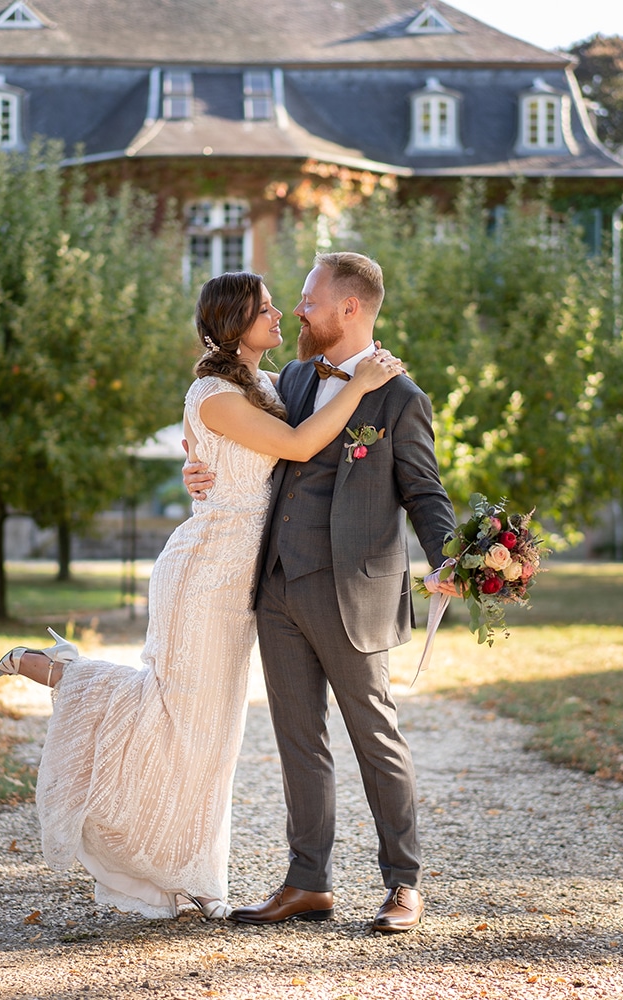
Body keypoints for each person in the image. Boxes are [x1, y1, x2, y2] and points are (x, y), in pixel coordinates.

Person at [0, 271, 406, 920]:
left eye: (278, 305)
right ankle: (66, 673)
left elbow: (286, 448)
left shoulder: (269, 384)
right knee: (174, 717)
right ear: (234, 324)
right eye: (266, 309)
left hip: (243, 580)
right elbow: (299, 442)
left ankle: (183, 874)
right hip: (204, 574)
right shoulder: (213, 394)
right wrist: (362, 384)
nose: (280, 315)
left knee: (211, 740)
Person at [183, 251, 456, 934]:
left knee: (375, 739)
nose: (298, 310)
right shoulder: (293, 381)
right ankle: (307, 882)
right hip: (276, 584)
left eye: (308, 299)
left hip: (353, 591)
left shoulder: (400, 398)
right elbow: (229, 425)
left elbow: (425, 492)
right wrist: (195, 462)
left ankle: (404, 884)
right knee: (298, 740)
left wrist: (449, 558)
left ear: (350, 309)